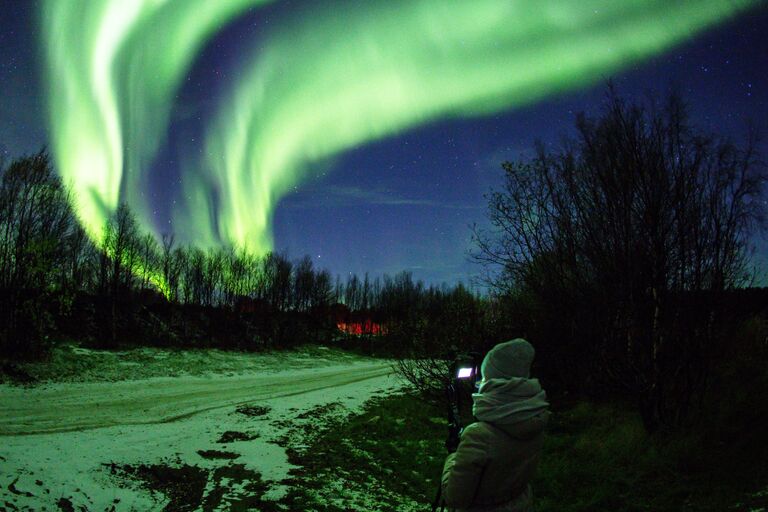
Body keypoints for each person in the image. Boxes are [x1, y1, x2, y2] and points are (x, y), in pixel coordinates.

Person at [441, 338, 549, 512]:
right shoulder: (534, 418)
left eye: (485, 377)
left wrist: (452, 457)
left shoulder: (479, 436)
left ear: (493, 381)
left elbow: (455, 498)